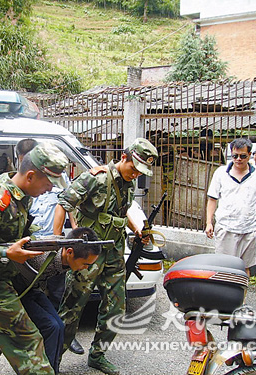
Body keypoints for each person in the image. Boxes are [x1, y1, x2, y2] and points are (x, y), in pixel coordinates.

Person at [0, 143, 69, 375]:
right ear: (30, 175)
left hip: (7, 279)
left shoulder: (22, 198)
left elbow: (16, 234)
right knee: (29, 344)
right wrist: (7, 253)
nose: (50, 190)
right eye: (48, 184)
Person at [53, 138, 158, 375]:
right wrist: (59, 239)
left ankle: (97, 355)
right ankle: (54, 356)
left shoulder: (128, 184)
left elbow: (121, 211)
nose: (136, 174)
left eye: (141, 172)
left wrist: (137, 229)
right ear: (124, 157)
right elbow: (64, 203)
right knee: (72, 306)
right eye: (134, 168)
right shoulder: (96, 177)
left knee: (116, 308)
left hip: (113, 252)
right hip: (87, 253)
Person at [15, 139, 84, 355]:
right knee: (34, 292)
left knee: (56, 291)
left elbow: (67, 202)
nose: (49, 187)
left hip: (50, 240)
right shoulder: (20, 187)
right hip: (30, 246)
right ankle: (47, 335)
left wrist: (73, 230)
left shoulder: (56, 177)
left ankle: (59, 335)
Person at [13, 227, 101, 374]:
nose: (85, 268)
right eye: (85, 264)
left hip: (33, 288)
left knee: (59, 325)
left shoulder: (67, 253)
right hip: (18, 290)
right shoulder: (43, 256)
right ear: (70, 252)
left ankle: (52, 370)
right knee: (50, 326)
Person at [205, 138, 256, 276]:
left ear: (250, 155)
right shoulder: (221, 173)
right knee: (223, 268)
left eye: (242, 156)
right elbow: (212, 199)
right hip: (225, 228)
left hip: (248, 229)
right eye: (235, 156)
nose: (238, 159)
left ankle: (241, 297)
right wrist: (209, 223)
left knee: (244, 268)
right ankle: (224, 297)